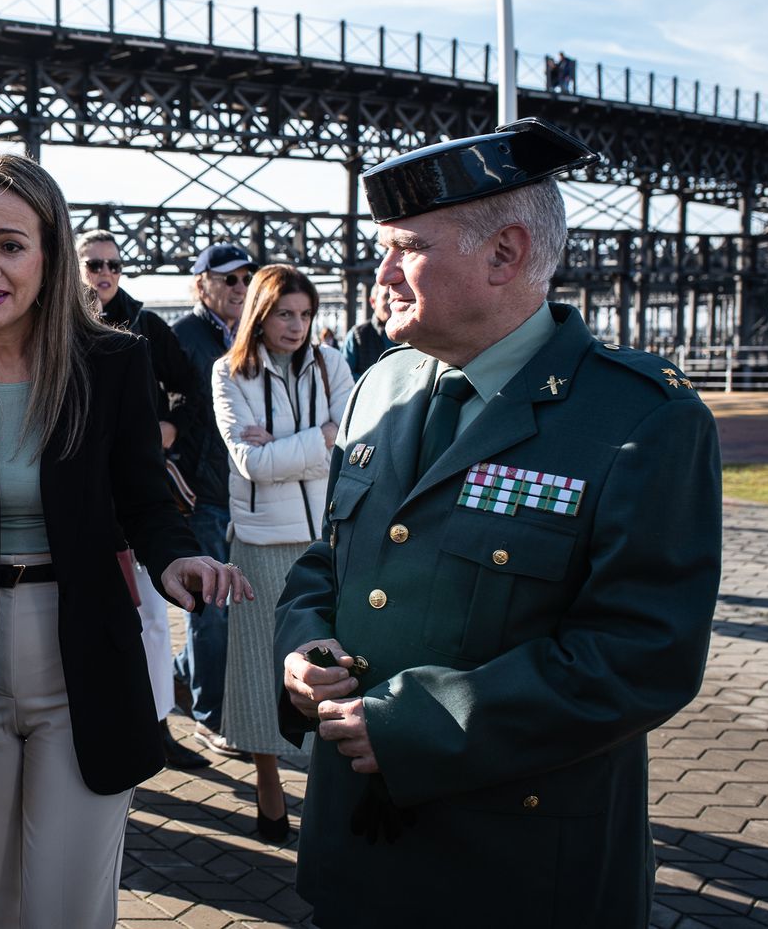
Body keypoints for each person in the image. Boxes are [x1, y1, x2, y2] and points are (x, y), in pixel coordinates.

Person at [275, 119, 722, 927]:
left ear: (505, 255)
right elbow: (329, 559)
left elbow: (643, 653)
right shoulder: (382, 384)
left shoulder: (638, 417)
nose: (379, 274)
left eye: (405, 247)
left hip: (517, 866)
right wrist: (302, 649)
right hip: (357, 853)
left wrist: (420, 727)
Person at [0, 153, 251, 928]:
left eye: (11, 244)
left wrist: (177, 557)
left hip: (81, 655)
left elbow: (146, 498)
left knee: (67, 910)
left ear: (50, 253)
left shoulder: (112, 362)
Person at [211, 264, 352, 842]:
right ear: (260, 315)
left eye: (306, 315)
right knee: (257, 669)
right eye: (285, 314)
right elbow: (252, 464)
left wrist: (303, 443)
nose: (297, 327)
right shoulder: (228, 373)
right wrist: (319, 437)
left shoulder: (333, 363)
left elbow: (354, 437)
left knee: (328, 668)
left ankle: (327, 795)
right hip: (260, 541)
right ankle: (270, 789)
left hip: (327, 536)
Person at [76, 229, 209, 770]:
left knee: (155, 616)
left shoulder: (146, 325)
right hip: (78, 491)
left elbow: (190, 389)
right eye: (93, 265)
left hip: (132, 489)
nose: (104, 273)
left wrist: (169, 428)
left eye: (112, 265)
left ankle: (157, 728)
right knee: (81, 611)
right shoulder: (52, 319)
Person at [170, 241, 254, 757]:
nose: (240, 288)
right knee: (213, 607)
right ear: (202, 284)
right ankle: (210, 715)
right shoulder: (181, 337)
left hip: (243, 488)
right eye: (228, 279)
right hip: (200, 493)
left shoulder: (251, 336)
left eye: (246, 279)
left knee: (233, 605)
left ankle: (180, 676)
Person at [342, 283, 396, 378]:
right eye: (386, 296)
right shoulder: (357, 335)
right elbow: (345, 376)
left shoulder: (410, 335)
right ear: (372, 302)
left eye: (395, 297)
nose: (391, 301)